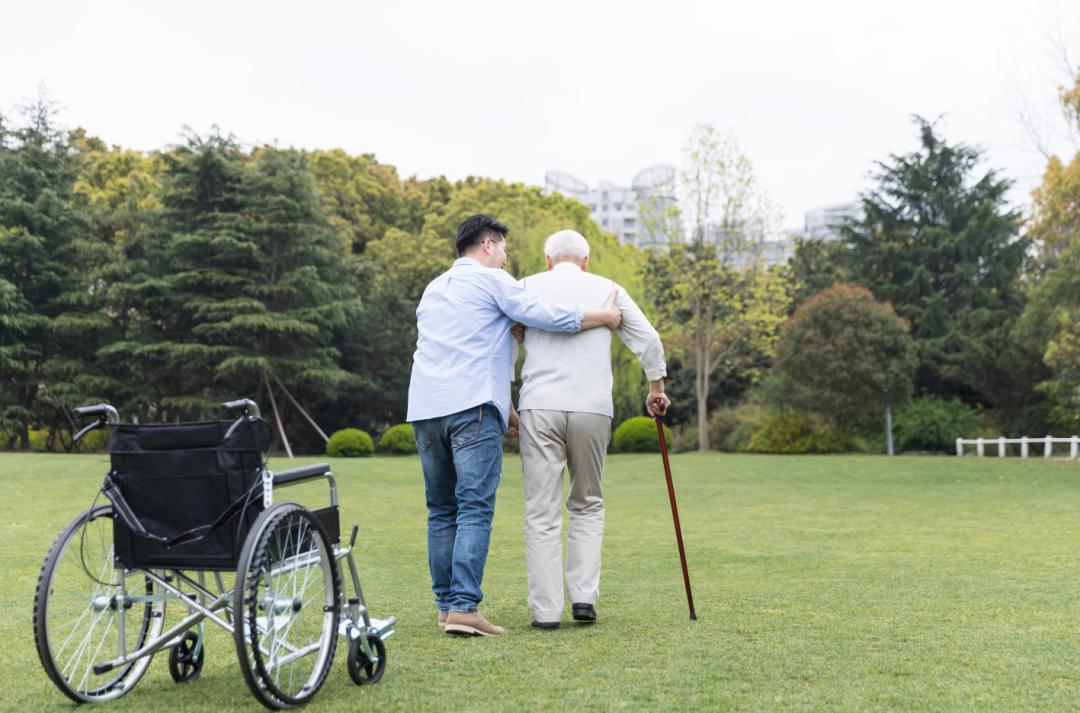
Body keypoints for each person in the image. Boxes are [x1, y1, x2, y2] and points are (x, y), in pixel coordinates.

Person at [407, 215, 623, 637]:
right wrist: (604, 316)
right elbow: (548, 316)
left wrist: (506, 403)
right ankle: (465, 609)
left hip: (425, 408)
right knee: (473, 507)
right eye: (504, 250)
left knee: (441, 510)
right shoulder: (493, 282)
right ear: (487, 245)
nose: (507, 260)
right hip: (472, 408)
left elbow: (469, 345)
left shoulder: (434, 290)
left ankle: (446, 607)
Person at [514, 229, 670, 629]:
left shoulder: (527, 286)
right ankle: (583, 598)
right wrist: (656, 386)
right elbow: (648, 339)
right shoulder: (607, 288)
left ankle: (546, 612)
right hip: (593, 408)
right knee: (587, 502)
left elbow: (503, 341)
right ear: (586, 262)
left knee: (541, 510)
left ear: (548, 260)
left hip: (540, 406)